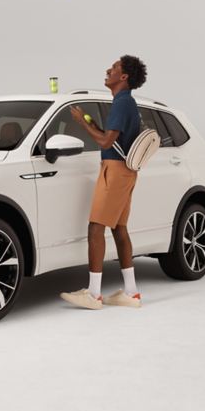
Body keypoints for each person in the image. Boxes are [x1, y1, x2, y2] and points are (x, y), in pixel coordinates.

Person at [60, 55, 148, 310]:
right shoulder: (125, 103)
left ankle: (93, 294)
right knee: (119, 229)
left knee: (95, 228)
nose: (108, 70)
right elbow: (111, 137)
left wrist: (80, 124)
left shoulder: (122, 103)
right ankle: (131, 293)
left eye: (114, 68)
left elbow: (105, 143)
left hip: (115, 170)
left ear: (124, 77)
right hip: (125, 170)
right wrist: (92, 123)